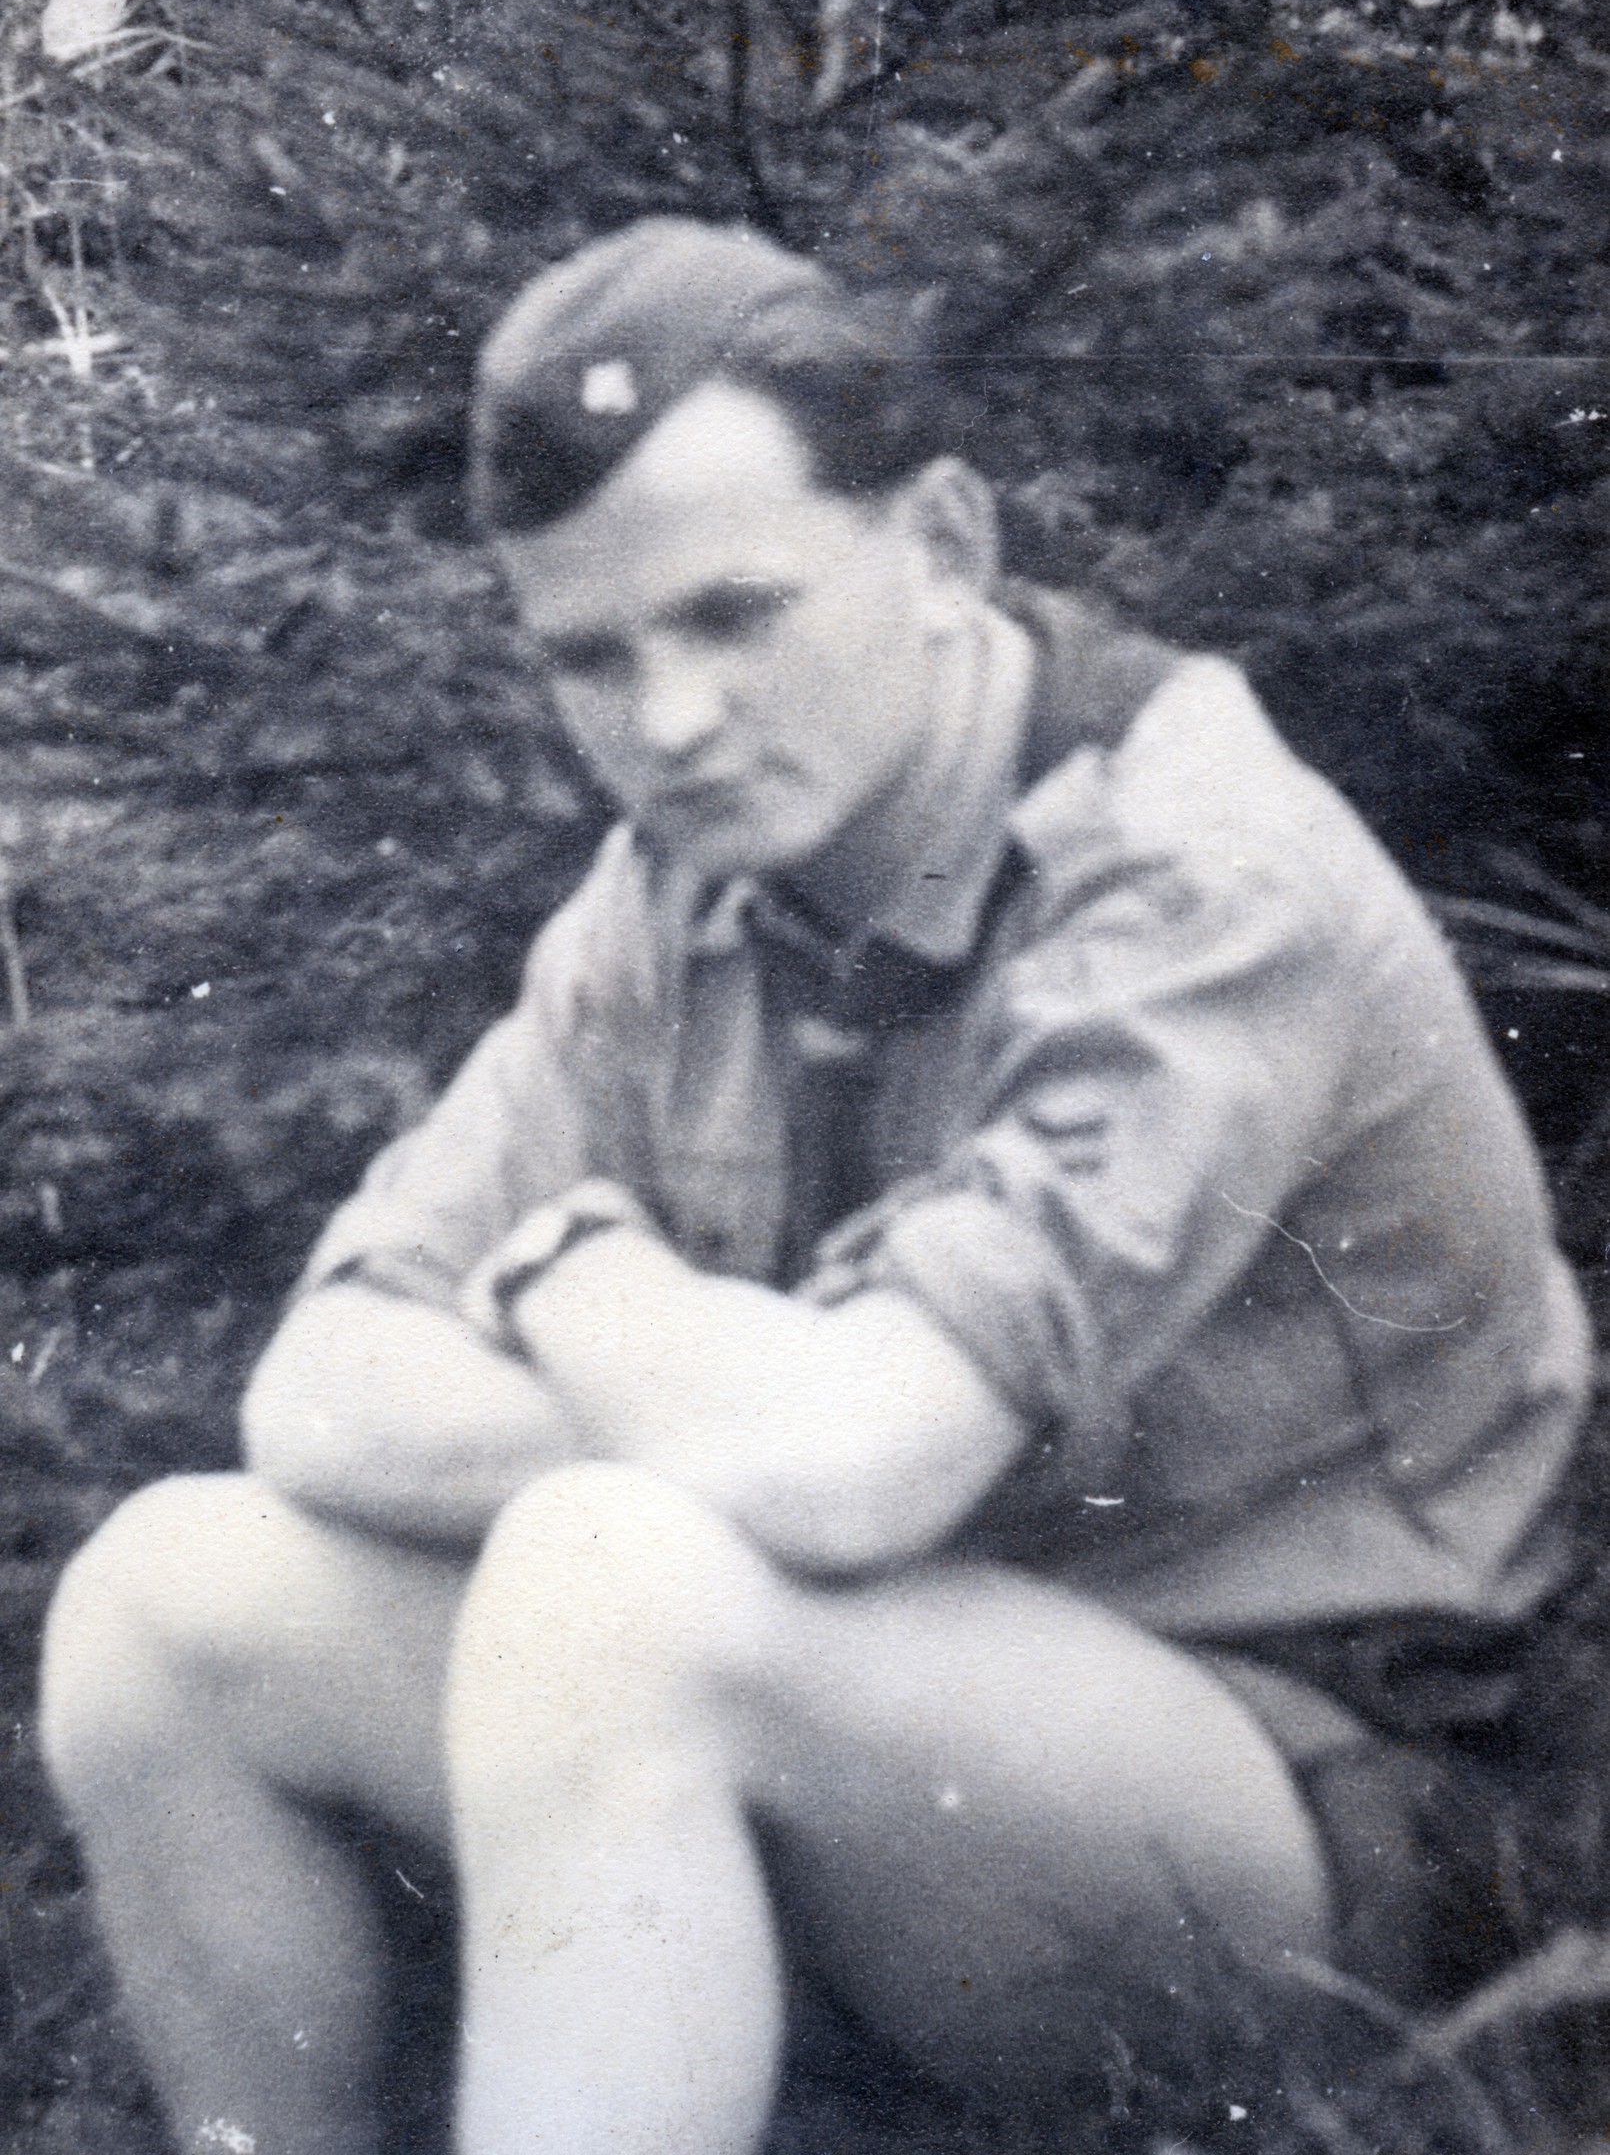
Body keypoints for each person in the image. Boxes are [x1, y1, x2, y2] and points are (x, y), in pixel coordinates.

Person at [40, 220, 1592, 2155]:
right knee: (165, 1603)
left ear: (939, 541)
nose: (669, 722)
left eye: (733, 615)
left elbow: (850, 1471)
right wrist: (725, 1438)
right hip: (889, 1724)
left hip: (1338, 1818)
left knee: (617, 1582)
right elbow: (323, 1390)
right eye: (591, 655)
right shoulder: (684, 888)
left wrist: (576, 1280)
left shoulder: (1194, 876)